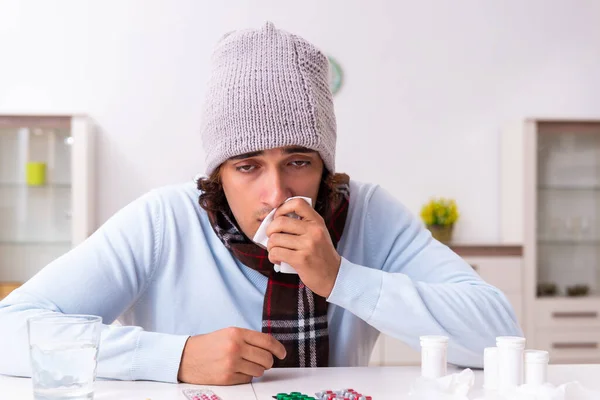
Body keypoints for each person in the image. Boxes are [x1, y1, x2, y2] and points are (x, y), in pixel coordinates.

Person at [0, 21, 522, 385]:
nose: (276, 194)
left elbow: (500, 337)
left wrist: (343, 278)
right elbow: (9, 331)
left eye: (299, 161)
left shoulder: (369, 214)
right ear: (218, 174)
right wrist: (175, 356)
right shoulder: (163, 219)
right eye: (247, 166)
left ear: (325, 166)